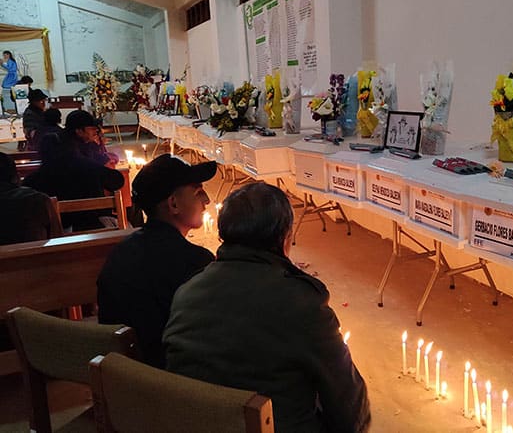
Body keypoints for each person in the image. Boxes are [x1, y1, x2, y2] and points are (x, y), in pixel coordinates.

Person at [164, 183, 371, 433]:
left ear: (223, 236)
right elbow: (350, 411)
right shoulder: (301, 302)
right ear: (286, 239)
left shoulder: (186, 292)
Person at [97, 155, 217, 368]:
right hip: (168, 380)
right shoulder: (194, 261)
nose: (206, 200)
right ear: (173, 204)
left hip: (122, 372)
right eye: (198, 192)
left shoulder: (122, 250)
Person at [23, 133, 125, 231]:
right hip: (94, 227)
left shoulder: (33, 180)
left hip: (56, 235)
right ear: (73, 148)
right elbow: (118, 181)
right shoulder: (88, 167)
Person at [0, 152, 61, 245]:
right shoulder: (37, 199)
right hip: (33, 257)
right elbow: (57, 240)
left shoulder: (35, 198)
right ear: (15, 176)